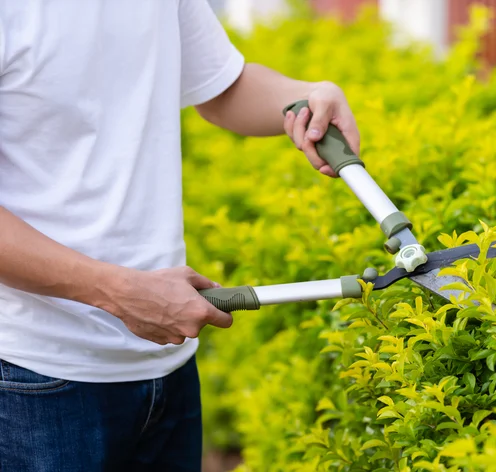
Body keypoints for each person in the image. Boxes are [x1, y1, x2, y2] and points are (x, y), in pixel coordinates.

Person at [0, 1, 360, 470]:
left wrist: (304, 99)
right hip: (35, 378)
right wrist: (116, 291)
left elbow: (221, 86)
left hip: (166, 370)